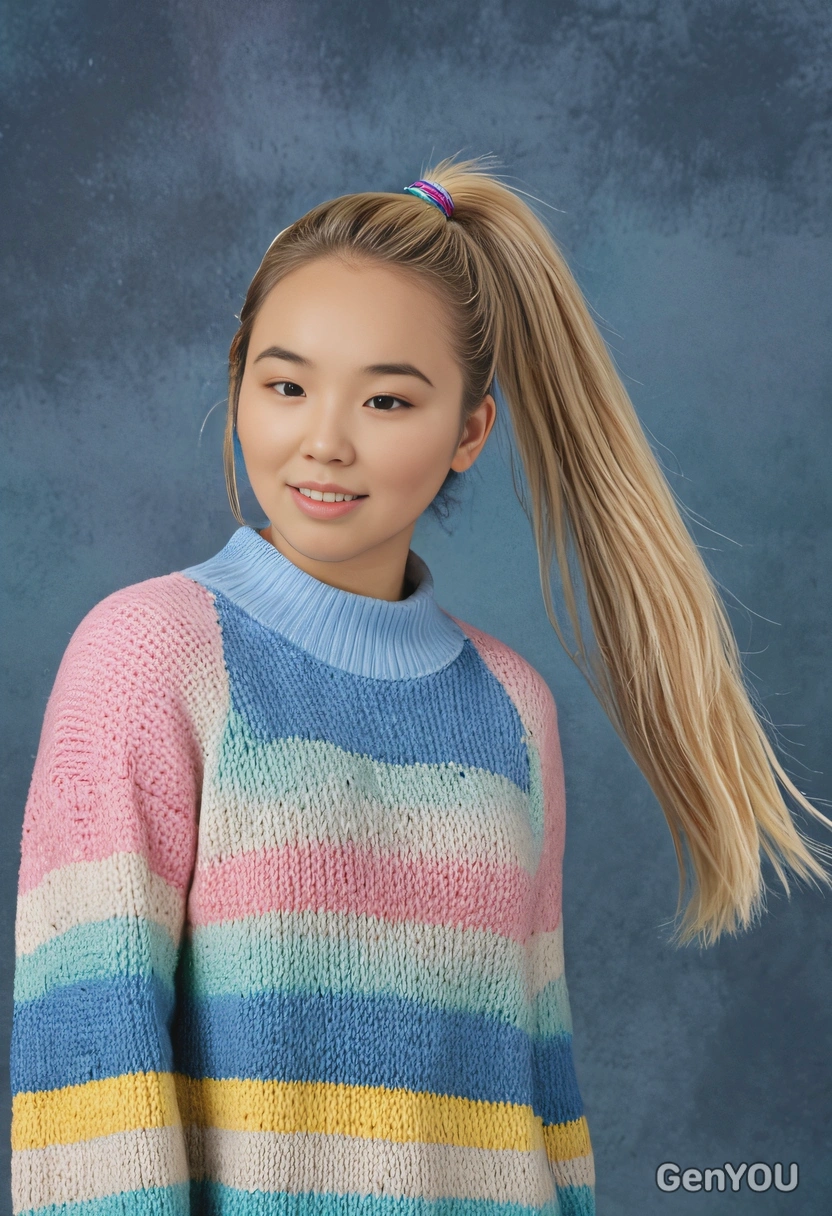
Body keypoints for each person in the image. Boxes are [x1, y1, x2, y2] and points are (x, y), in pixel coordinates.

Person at [10, 160, 831, 1216]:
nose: (324, 441)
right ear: (238, 384)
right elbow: (86, 1078)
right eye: (285, 384)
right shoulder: (150, 654)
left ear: (469, 432)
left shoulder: (512, 708)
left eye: (388, 399)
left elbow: (541, 1086)